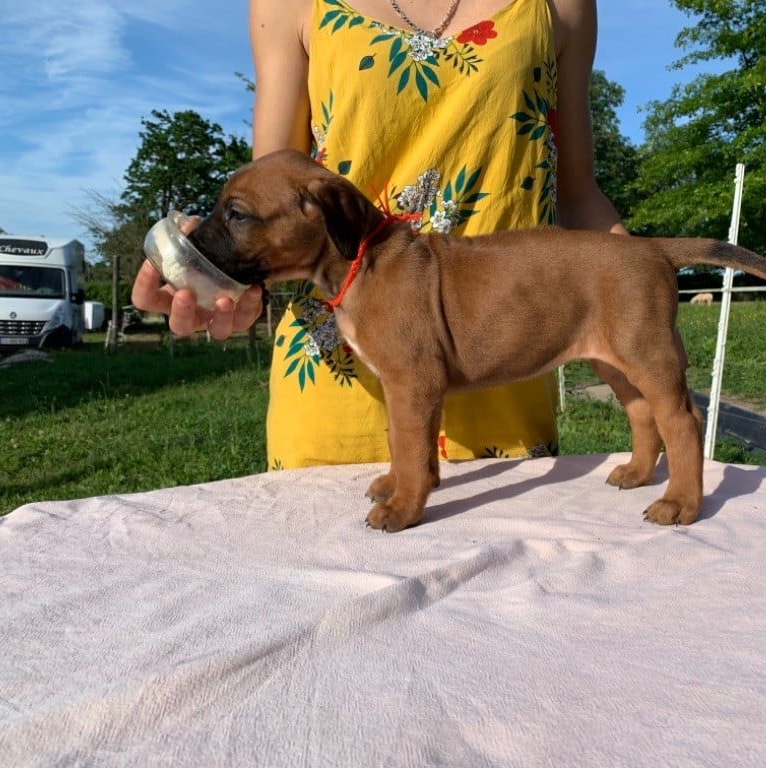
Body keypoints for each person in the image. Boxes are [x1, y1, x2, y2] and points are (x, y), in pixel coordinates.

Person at [133, 0, 629, 470]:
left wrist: (635, 286)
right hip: (337, 392)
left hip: (505, 370)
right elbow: (269, 202)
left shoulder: (559, 5)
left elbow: (578, 197)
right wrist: (213, 278)